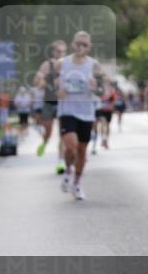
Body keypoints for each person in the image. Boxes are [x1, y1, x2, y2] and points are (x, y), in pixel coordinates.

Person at [57, 31, 105, 201]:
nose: (81, 47)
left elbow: (103, 91)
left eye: (85, 44)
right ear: (72, 45)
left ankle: (77, 183)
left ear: (89, 47)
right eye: (78, 43)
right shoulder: (62, 63)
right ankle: (68, 171)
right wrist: (57, 91)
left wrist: (96, 88)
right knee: (71, 146)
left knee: (82, 151)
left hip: (86, 113)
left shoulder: (95, 65)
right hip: (67, 111)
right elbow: (49, 85)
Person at [35, 40, 68, 173]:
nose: (60, 54)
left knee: (63, 134)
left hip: (63, 103)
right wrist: (44, 81)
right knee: (48, 132)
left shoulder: (68, 65)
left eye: (63, 52)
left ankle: (60, 162)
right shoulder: (47, 65)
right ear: (53, 52)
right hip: (49, 102)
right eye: (58, 51)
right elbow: (37, 82)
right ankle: (44, 142)